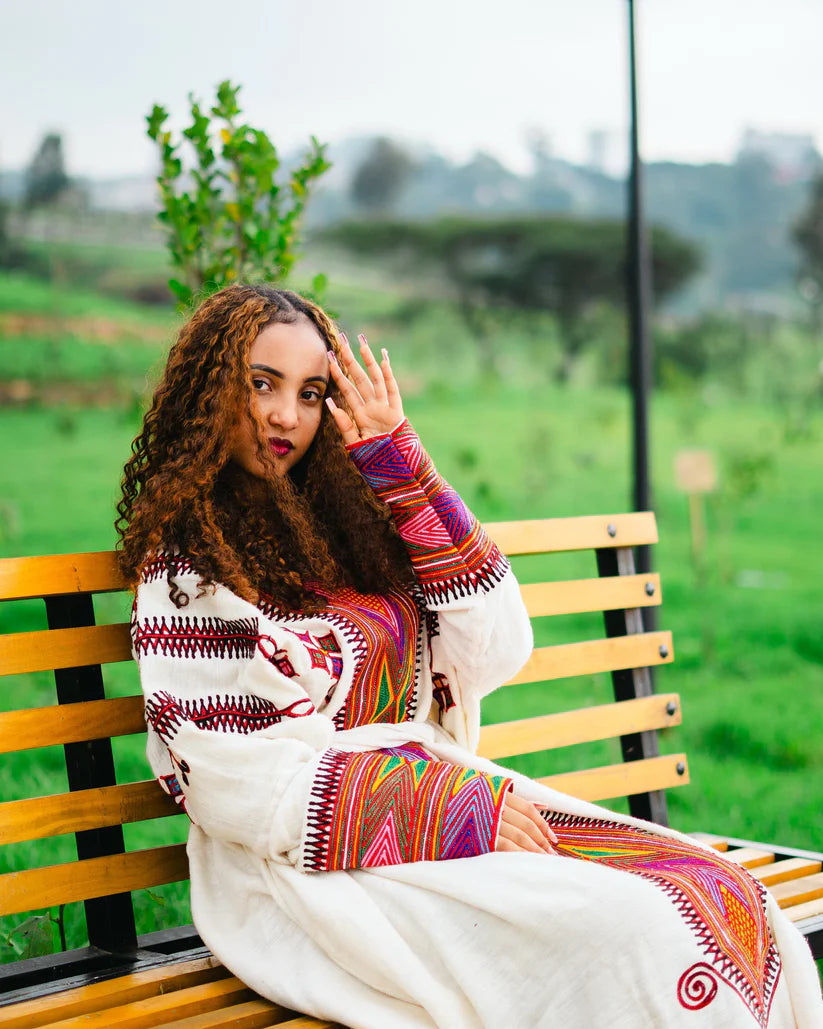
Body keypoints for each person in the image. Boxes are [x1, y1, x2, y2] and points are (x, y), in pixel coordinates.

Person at [117, 284, 822, 1029]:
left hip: (438, 816)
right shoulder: (188, 574)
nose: (286, 414)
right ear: (210, 388)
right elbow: (240, 783)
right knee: (636, 929)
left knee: (713, 889)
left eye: (311, 392)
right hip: (304, 868)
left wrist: (399, 465)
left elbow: (495, 642)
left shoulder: (341, 533)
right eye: (261, 383)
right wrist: (454, 809)